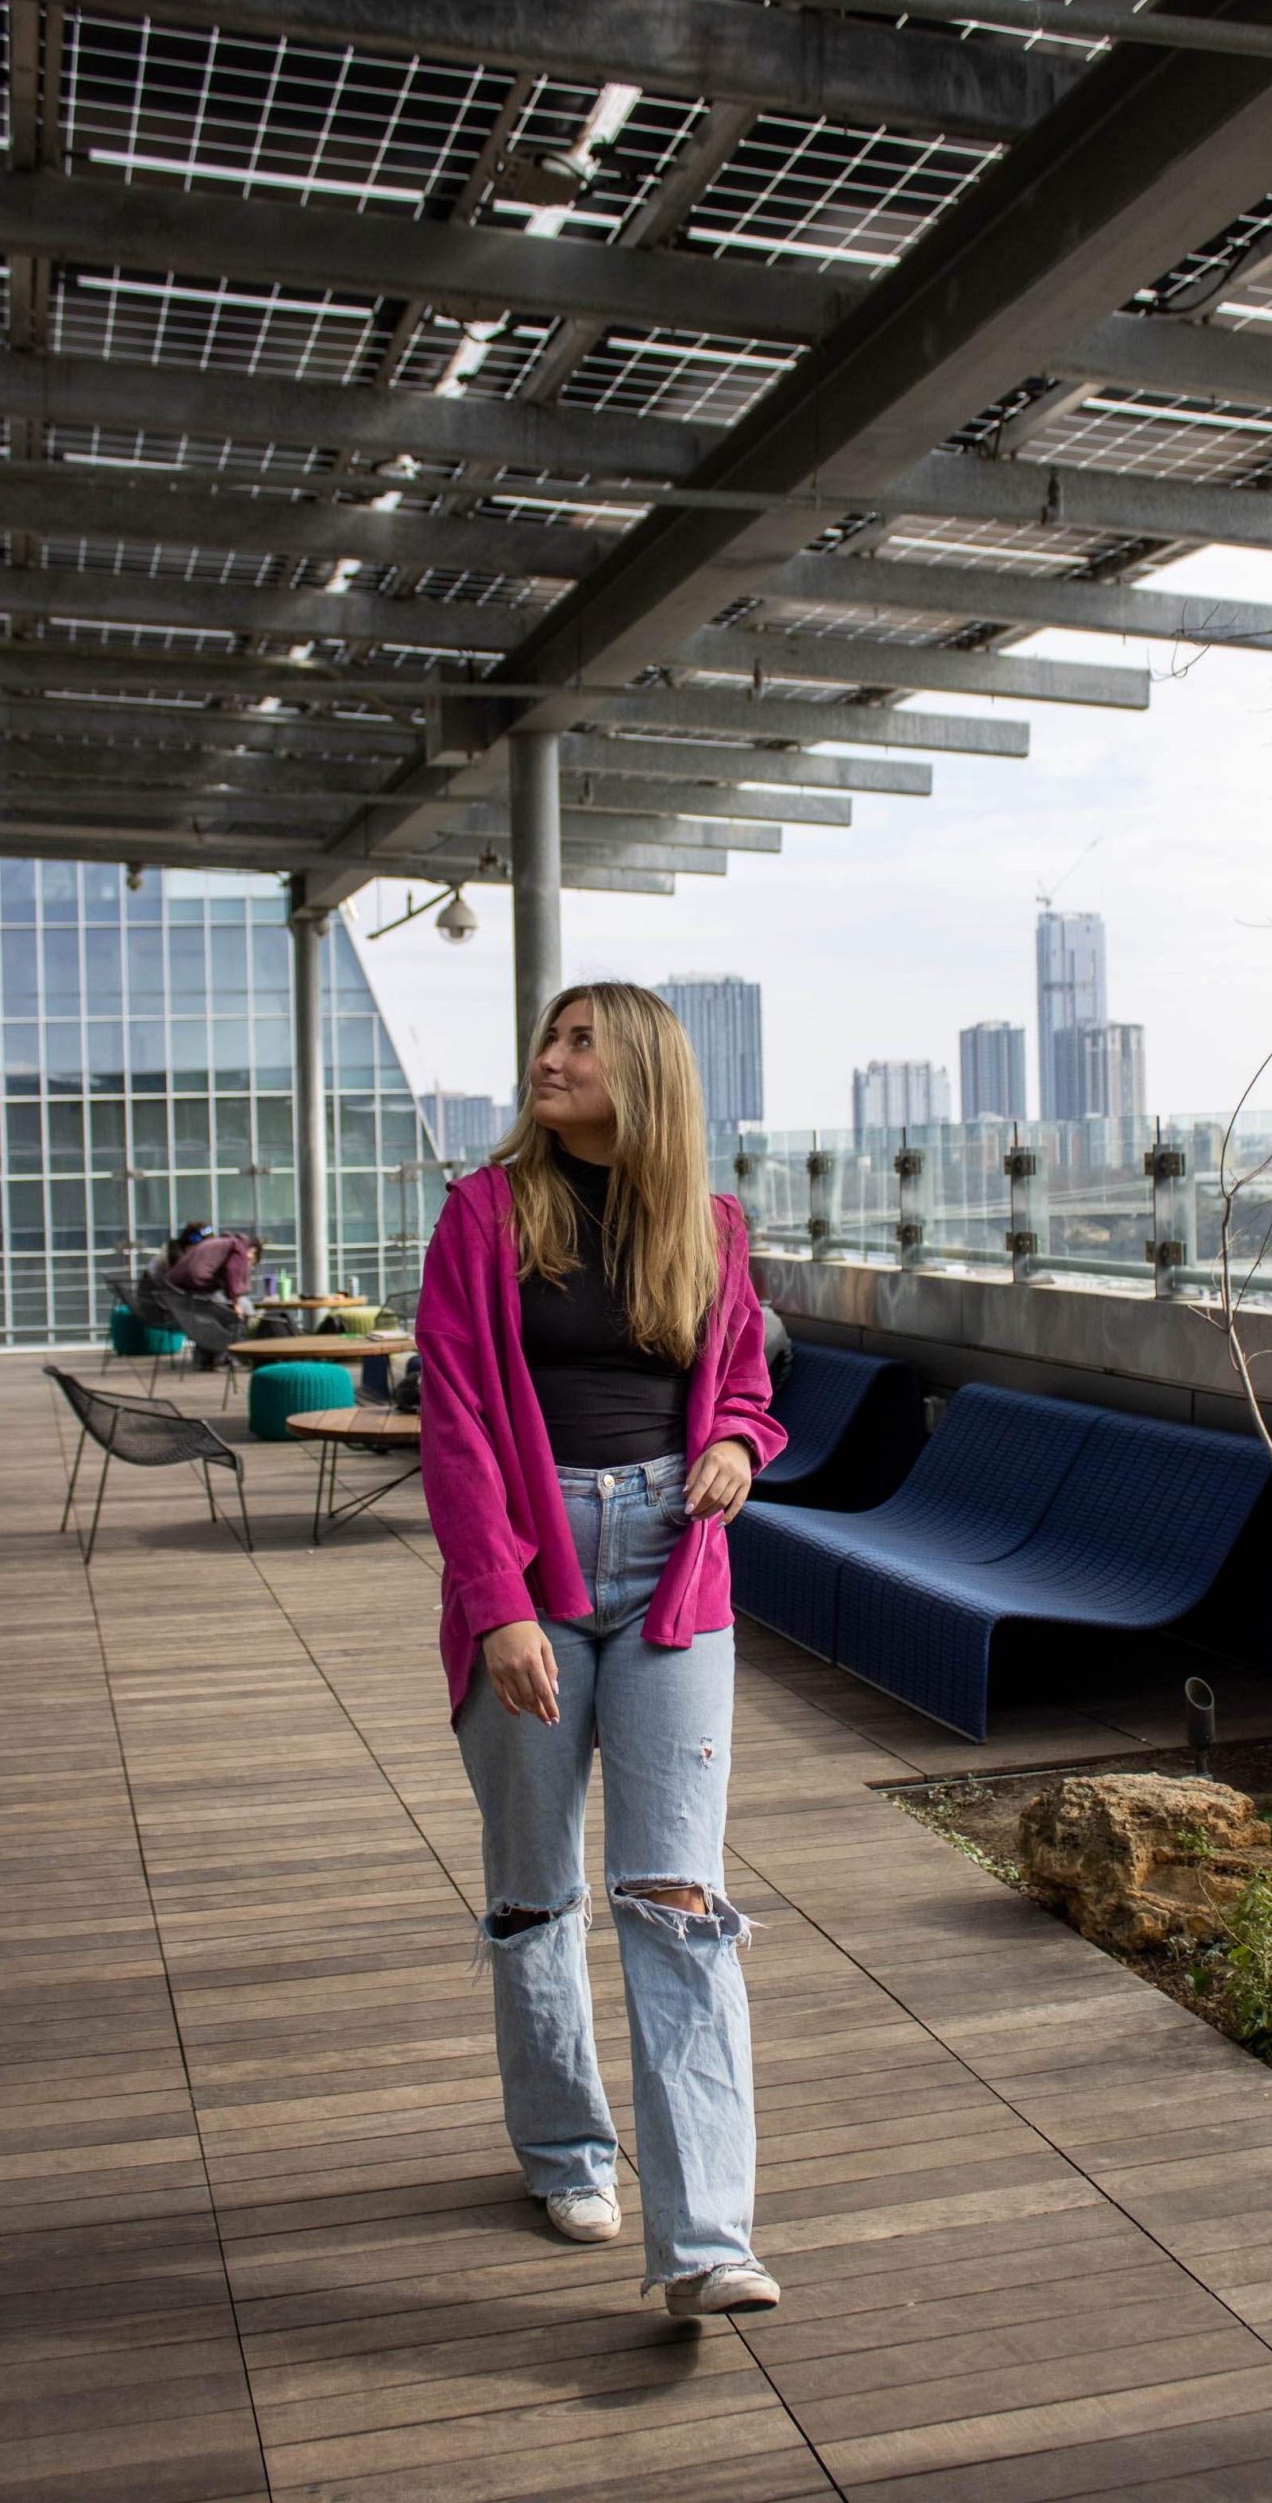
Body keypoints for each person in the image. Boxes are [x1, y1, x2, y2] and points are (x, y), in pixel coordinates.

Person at [415, 983, 788, 2319]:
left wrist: (737, 1444)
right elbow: (453, 1419)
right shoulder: (482, 1214)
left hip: (673, 1573)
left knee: (675, 1902)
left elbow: (740, 1380)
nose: (548, 1056)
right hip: (529, 1567)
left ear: (642, 1071)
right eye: (548, 1039)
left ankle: (706, 2242)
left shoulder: (712, 1226)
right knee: (533, 1897)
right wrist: (499, 1600)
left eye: (579, 1041)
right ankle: (568, 2150)